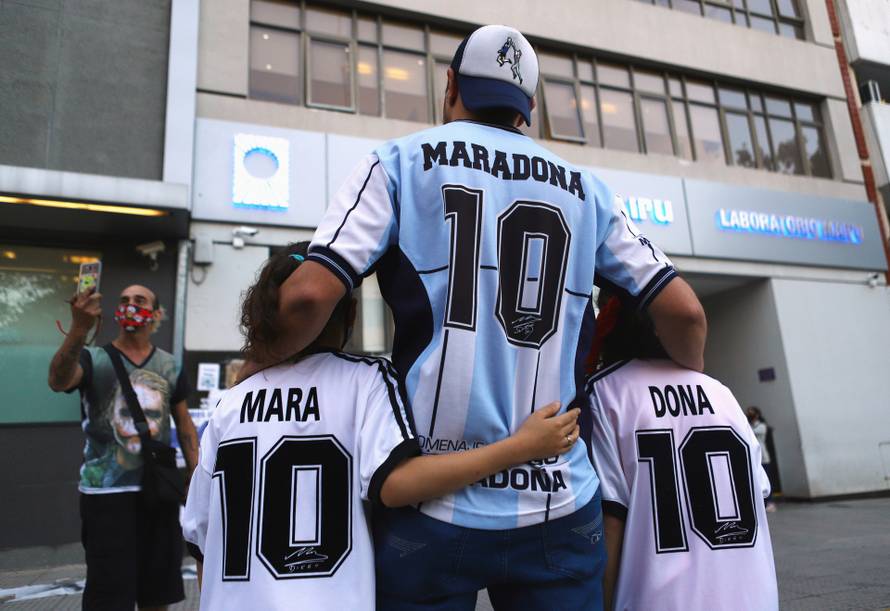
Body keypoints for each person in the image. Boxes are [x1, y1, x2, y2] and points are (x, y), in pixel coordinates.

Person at [241, 24, 706, 610]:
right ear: (528, 109)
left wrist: (259, 364)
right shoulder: (591, 191)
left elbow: (308, 297)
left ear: (450, 85)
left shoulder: (398, 162)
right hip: (557, 497)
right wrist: (695, 383)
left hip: (431, 498)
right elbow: (685, 312)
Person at [181, 243, 581, 610]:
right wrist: (521, 447)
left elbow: (201, 537)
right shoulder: (365, 378)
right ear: (350, 314)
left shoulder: (229, 403)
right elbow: (396, 485)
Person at [586, 290, 778, 611]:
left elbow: (610, 522)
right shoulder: (721, 392)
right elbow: (756, 498)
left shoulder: (606, 391)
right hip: (753, 598)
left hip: (660, 600)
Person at [48, 283, 199, 611]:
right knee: (108, 596)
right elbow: (59, 380)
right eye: (125, 300)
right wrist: (78, 328)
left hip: (158, 493)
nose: (130, 305)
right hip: (106, 498)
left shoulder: (170, 365)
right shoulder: (93, 358)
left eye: (140, 300)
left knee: (157, 593)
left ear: (156, 314)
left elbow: (184, 422)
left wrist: (196, 475)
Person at [747, 406, 777, 512]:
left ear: (757, 414)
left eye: (751, 412)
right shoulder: (748, 425)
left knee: (766, 480)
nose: (749, 414)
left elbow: (749, 434)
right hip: (753, 458)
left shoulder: (762, 426)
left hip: (763, 458)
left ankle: (770, 502)